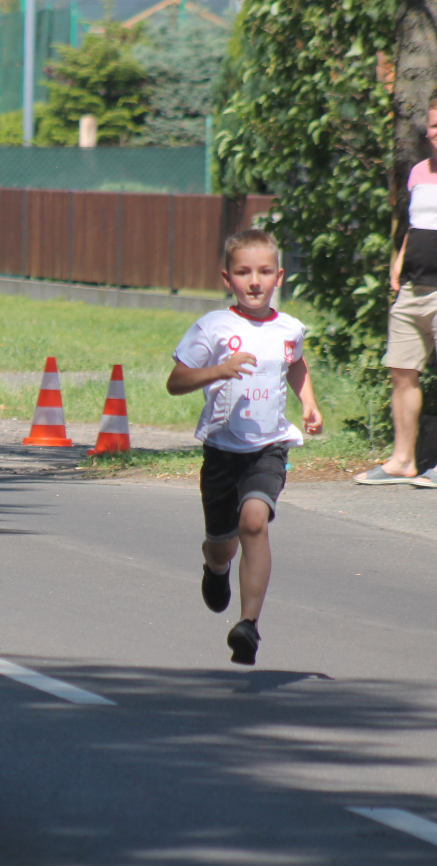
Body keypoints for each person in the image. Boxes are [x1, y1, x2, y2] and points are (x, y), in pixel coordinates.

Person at [166, 229, 323, 666]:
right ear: (227, 277)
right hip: (221, 451)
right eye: (243, 272)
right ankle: (216, 569)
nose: (254, 281)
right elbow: (176, 382)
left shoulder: (289, 328)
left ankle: (248, 626)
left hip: (268, 447)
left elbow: (295, 363)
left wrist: (308, 402)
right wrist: (219, 370)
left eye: (264, 271)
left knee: (255, 521)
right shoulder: (213, 327)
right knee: (222, 543)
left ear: (279, 277)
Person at [356, 97, 437, 486]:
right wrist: (399, 260)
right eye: (432, 126)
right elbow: (414, 224)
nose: (433, 134)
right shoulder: (420, 172)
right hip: (412, 289)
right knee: (402, 371)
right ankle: (403, 460)